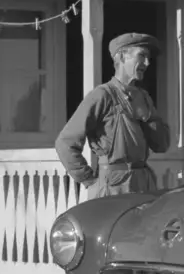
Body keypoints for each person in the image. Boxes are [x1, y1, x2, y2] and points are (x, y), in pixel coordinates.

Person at [55, 32, 173, 198]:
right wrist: (89, 180)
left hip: (144, 185)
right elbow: (65, 143)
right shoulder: (102, 95)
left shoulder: (144, 97)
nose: (147, 63)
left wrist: (147, 117)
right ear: (122, 57)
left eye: (148, 58)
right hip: (112, 187)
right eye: (142, 56)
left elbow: (162, 145)